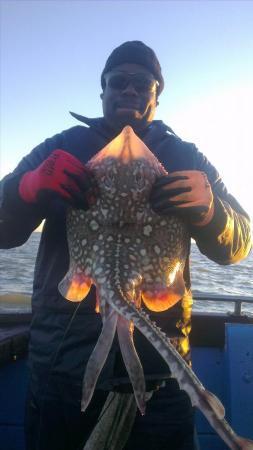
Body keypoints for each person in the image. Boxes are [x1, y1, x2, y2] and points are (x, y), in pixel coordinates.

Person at [0, 41, 251, 450]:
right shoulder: (59, 148)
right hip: (60, 372)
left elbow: (240, 242)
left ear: (157, 95)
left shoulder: (186, 156)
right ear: (103, 90)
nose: (130, 90)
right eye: (119, 81)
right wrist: (22, 190)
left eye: (143, 83)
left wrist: (211, 212)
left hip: (163, 378)